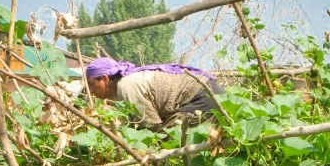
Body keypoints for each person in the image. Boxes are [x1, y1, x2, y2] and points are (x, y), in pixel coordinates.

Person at [85, 57, 225, 129]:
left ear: (104, 79)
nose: (90, 91)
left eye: (91, 84)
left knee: (170, 142)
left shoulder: (127, 86)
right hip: (210, 90)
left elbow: (152, 125)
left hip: (202, 95)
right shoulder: (127, 83)